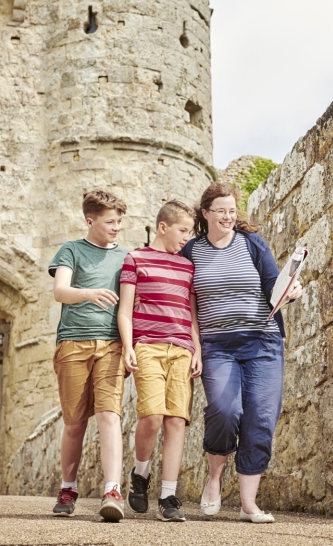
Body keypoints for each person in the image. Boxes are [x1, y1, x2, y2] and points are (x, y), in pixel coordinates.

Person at [180, 182, 302, 524]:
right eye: (221, 211)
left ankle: (249, 503)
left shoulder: (252, 244)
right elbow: (184, 303)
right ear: (206, 214)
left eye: (233, 211)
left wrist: (291, 289)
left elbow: (274, 285)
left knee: (261, 417)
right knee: (224, 409)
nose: (228, 217)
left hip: (263, 343)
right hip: (217, 346)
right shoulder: (192, 252)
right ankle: (215, 478)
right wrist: (194, 346)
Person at [48, 190, 130, 521]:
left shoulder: (127, 256)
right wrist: (89, 293)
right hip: (73, 344)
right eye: (110, 222)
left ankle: (113, 490)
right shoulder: (71, 250)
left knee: (110, 415)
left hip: (111, 344)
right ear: (90, 220)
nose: (116, 227)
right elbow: (60, 291)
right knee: (75, 423)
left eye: (120, 221)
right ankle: (68, 487)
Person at [117, 200, 201, 522]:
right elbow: (125, 311)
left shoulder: (187, 266)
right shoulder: (135, 258)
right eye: (183, 230)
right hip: (147, 347)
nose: (186, 237)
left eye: (190, 232)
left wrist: (197, 350)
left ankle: (168, 495)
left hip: (181, 349)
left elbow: (189, 313)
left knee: (176, 420)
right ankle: (140, 474)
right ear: (163, 227)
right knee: (151, 416)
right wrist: (128, 347)